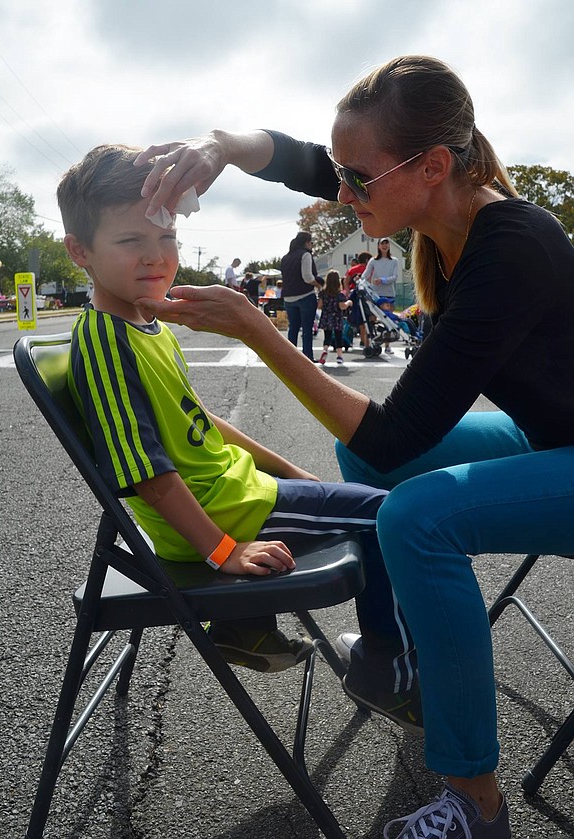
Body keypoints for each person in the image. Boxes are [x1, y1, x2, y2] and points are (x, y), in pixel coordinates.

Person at [135, 54, 574, 838]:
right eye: (342, 174)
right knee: (371, 468)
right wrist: (221, 146)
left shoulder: (512, 245)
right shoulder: (441, 212)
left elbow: (401, 430)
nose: (342, 193)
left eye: (358, 179)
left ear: (433, 165)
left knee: (415, 515)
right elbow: (306, 161)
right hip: (548, 433)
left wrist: (260, 331)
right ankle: (403, 657)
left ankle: (478, 802)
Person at [57, 144, 422, 708]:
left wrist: (294, 472)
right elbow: (145, 473)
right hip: (222, 514)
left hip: (240, 495)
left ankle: (245, 627)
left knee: (376, 505)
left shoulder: (145, 324)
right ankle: (387, 672)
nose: (156, 257)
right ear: (79, 251)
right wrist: (223, 551)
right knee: (393, 516)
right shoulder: (105, 341)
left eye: (167, 238)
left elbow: (204, 423)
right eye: (131, 241)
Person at [279, 231, 321, 361]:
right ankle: (307, 357)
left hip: (288, 297)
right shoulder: (305, 255)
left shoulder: (285, 257)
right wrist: (319, 285)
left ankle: (291, 358)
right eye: (311, 242)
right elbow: (307, 277)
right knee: (307, 329)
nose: (312, 245)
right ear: (307, 242)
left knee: (293, 328)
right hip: (305, 295)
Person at [361, 238, 399, 353]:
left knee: (389, 320)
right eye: (382, 243)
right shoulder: (373, 261)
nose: (385, 246)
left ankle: (387, 345)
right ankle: (372, 342)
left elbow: (394, 277)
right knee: (372, 318)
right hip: (376, 295)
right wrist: (361, 280)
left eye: (387, 243)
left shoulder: (394, 261)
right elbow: (365, 275)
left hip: (388, 294)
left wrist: (382, 280)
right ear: (378, 246)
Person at [317, 269, 353, 365]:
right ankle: (339, 356)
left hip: (326, 317)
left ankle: (325, 350)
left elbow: (319, 305)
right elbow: (342, 306)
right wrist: (349, 302)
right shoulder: (340, 295)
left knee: (327, 336)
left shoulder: (323, 293)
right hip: (337, 318)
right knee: (338, 336)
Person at [343, 250, 373, 348]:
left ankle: (361, 340)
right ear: (367, 260)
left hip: (354, 295)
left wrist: (347, 292)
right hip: (366, 294)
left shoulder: (352, 269)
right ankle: (367, 340)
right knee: (369, 317)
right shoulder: (369, 269)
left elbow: (346, 281)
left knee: (359, 317)